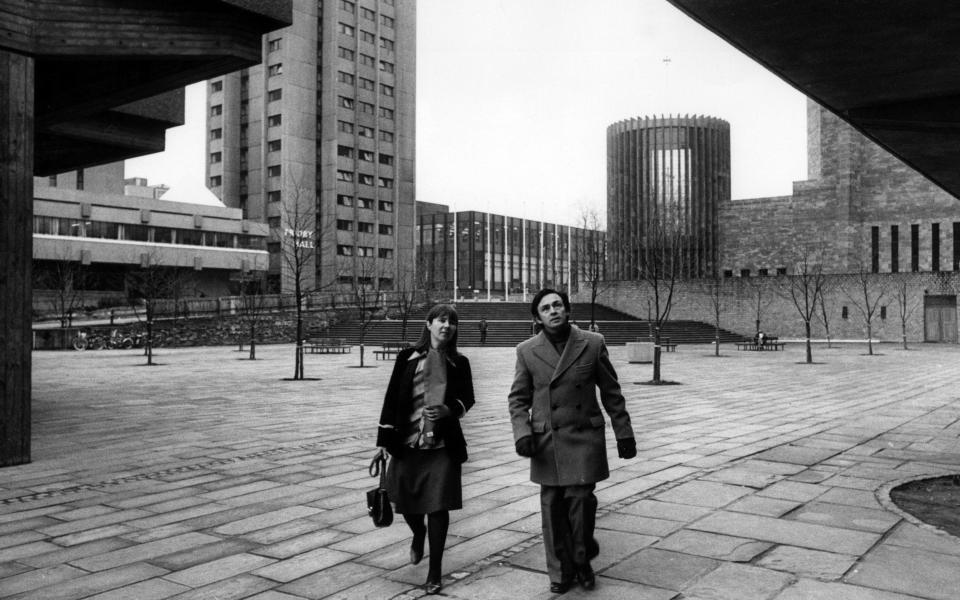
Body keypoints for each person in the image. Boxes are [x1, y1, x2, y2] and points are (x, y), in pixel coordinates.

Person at [508, 288, 636, 593]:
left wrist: (624, 433)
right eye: (545, 308)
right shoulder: (526, 351)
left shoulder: (592, 344)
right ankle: (560, 573)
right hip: (546, 439)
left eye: (557, 305)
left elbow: (611, 393)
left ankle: (581, 556)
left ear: (567, 310)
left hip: (583, 436)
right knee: (552, 507)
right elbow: (517, 399)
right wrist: (522, 433)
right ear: (537, 317)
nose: (553, 311)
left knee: (581, 501)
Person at [376, 304, 475, 595]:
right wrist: (383, 443)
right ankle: (418, 533)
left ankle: (435, 571)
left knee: (438, 506)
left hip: (443, 445)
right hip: (407, 443)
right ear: (429, 324)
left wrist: (450, 409)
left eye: (452, 322)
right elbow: (392, 398)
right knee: (402, 499)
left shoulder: (459, 361)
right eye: (442, 321)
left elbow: (468, 398)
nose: (447, 326)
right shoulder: (407, 358)